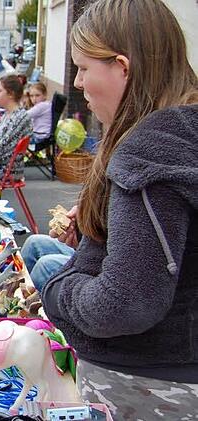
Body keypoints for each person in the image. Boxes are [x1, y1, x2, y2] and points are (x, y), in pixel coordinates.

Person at [40, 0, 198, 417]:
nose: (76, 82)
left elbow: (124, 303)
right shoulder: (181, 133)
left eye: (83, 68)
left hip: (151, 387)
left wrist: (57, 292)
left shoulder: (149, 149)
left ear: (122, 67)